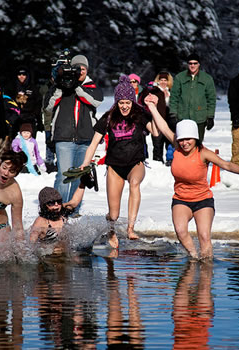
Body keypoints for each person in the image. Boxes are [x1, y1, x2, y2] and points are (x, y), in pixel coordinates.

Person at [144, 93, 239, 259]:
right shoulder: (177, 147)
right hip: (181, 199)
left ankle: (206, 270)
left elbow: (225, 164)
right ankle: (195, 258)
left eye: (188, 139)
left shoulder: (203, 153)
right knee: (181, 232)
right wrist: (152, 106)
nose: (185, 143)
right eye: (182, 139)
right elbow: (164, 127)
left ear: (196, 138)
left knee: (204, 236)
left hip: (203, 200)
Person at [79, 75, 158, 248]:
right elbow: (93, 143)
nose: (124, 106)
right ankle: (111, 230)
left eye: (128, 102)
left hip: (135, 164)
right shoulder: (109, 117)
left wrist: (153, 109)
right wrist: (85, 162)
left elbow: (156, 132)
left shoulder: (140, 115)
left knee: (135, 184)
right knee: (113, 214)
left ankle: (130, 228)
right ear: (117, 102)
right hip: (114, 167)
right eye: (121, 102)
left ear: (132, 101)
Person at [45, 54, 103, 213]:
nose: (80, 71)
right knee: (63, 176)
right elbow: (49, 106)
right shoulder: (60, 86)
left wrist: (76, 87)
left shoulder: (91, 86)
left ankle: (72, 210)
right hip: (64, 138)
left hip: (85, 139)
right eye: (77, 68)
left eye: (83, 69)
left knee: (78, 177)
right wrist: (60, 85)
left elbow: (95, 101)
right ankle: (56, 210)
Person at [170, 53, 217, 142]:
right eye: (190, 63)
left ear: (199, 64)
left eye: (195, 63)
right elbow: (174, 97)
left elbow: (211, 99)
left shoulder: (207, 79)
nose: (192, 65)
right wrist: (173, 114)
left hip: (199, 118)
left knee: (198, 144)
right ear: (187, 64)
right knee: (183, 144)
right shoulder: (179, 78)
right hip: (183, 117)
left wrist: (210, 116)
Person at [29, 185, 86, 253]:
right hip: (49, 257)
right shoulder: (41, 222)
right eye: (52, 203)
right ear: (44, 206)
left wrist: (83, 183)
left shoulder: (62, 213)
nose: (56, 205)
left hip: (66, 254)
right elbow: (31, 244)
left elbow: (74, 202)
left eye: (59, 201)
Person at [140, 71, 174, 164]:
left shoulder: (171, 91)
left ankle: (170, 159)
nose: (163, 82)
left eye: (165, 80)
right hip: (157, 119)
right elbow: (144, 96)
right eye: (161, 80)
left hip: (170, 120)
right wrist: (148, 88)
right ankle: (157, 159)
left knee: (170, 141)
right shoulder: (154, 90)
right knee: (157, 141)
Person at [12, 66, 43, 136]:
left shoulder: (33, 88)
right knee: (15, 144)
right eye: (19, 75)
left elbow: (38, 103)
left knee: (30, 143)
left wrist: (35, 117)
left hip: (30, 119)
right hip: (16, 119)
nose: (21, 77)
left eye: (23, 75)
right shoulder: (12, 88)